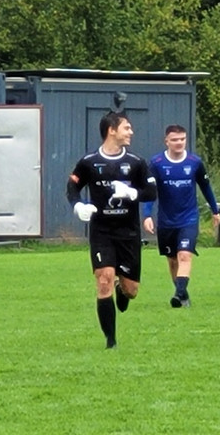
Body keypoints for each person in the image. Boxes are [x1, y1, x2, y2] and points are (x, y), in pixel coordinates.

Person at [67, 111, 157, 348]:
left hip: (128, 232)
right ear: (112, 130)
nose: (131, 132)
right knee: (104, 279)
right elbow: (72, 186)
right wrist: (77, 206)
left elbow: (151, 192)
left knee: (132, 290)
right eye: (127, 128)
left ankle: (122, 288)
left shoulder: (136, 162)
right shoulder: (89, 162)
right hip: (102, 232)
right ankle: (111, 341)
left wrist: (132, 193)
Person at [141, 124, 220, 308]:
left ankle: (178, 294)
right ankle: (183, 294)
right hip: (166, 221)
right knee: (172, 261)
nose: (179, 143)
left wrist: (215, 210)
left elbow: (206, 187)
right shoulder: (157, 163)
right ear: (167, 141)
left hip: (189, 219)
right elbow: (150, 191)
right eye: (175, 140)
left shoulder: (194, 162)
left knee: (185, 255)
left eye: (182, 139)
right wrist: (146, 215)